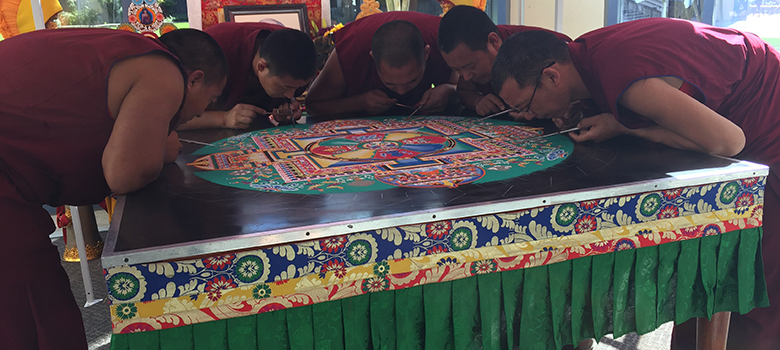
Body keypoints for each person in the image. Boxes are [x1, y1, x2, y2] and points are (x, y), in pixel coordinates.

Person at [491, 18, 780, 349]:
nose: (528, 117)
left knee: (749, 277)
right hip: (734, 102)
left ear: (552, 76)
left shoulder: (624, 79)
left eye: (525, 106)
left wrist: (624, 128)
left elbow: (730, 142)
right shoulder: (584, 52)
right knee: (706, 276)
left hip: (766, 120)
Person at [0, 28, 227, 349]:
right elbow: (124, 173)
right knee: (31, 306)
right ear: (193, 79)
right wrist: (160, 152)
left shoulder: (131, 52)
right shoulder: (165, 73)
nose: (204, 110)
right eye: (211, 98)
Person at [305, 12, 457, 117]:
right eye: (390, 84)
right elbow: (313, 104)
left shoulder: (442, 39)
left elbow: (472, 90)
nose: (401, 92)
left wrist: (449, 89)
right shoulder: (355, 46)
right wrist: (359, 103)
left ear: (426, 54)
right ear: (372, 58)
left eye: (412, 81)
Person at [178, 22, 317, 130]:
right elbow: (171, 117)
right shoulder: (215, 53)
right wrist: (224, 118)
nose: (290, 94)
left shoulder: (298, 54)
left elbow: (287, 100)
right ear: (261, 67)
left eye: (296, 88)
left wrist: (285, 112)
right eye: (285, 87)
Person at [437, 5, 570, 116]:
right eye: (457, 70)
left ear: (493, 42)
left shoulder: (534, 49)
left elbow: (573, 85)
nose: (466, 77)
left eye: (471, 66)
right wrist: (477, 101)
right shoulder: (469, 70)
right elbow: (464, 91)